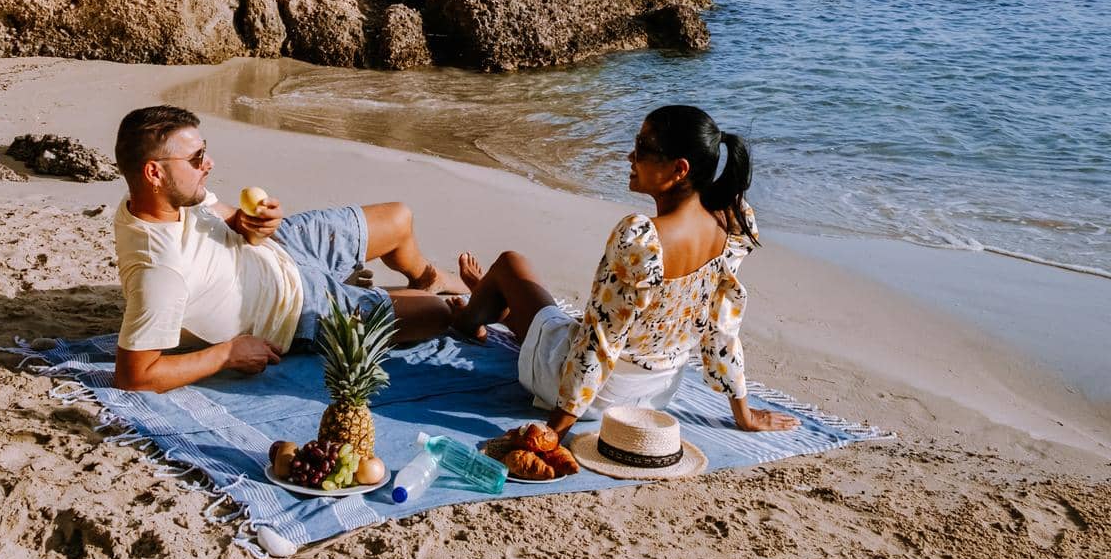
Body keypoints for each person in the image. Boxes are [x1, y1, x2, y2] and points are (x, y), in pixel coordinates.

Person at [452, 104, 799, 438]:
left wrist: (554, 431)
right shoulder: (730, 223)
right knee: (552, 319)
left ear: (679, 169)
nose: (630, 157)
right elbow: (722, 327)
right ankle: (495, 307)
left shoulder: (641, 237)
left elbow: (600, 343)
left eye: (643, 148)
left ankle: (470, 318)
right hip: (656, 394)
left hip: (596, 394)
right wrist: (744, 414)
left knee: (511, 265)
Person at [111, 105, 465, 392]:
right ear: (154, 173)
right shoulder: (160, 273)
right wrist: (226, 354)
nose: (209, 163)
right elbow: (135, 376)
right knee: (438, 314)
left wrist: (253, 223)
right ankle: (392, 294)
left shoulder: (165, 198)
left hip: (282, 247)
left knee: (399, 218)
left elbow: (230, 219)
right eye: (197, 157)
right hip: (298, 308)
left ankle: (427, 277)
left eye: (205, 150)